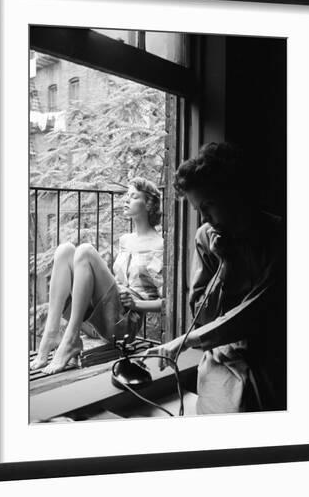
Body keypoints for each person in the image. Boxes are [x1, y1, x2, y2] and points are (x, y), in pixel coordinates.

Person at [145, 142, 286, 413]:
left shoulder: (278, 236)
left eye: (208, 206)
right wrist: (225, 265)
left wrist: (186, 341)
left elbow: (256, 312)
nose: (204, 219)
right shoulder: (207, 238)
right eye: (199, 210)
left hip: (269, 354)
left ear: (233, 194)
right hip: (221, 353)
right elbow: (202, 315)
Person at [30, 177, 164, 375]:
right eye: (126, 196)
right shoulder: (125, 240)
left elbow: (167, 302)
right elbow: (114, 282)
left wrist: (137, 304)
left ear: (150, 204)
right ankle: (52, 333)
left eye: (133, 196)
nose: (126, 200)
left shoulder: (159, 245)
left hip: (123, 324)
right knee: (65, 250)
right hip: (98, 321)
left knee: (85, 250)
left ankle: (70, 337)